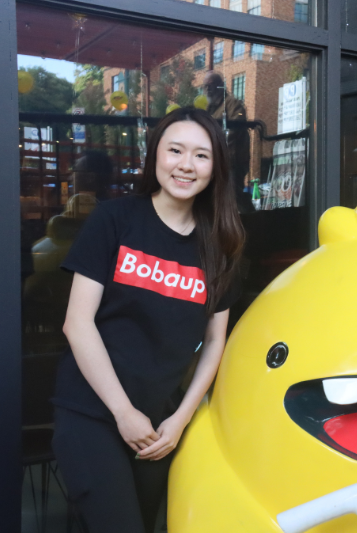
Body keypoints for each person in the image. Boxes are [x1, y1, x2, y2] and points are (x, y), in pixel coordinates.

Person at [51, 107, 245, 533]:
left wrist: (180, 419)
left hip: (159, 424)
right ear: (156, 153)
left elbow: (216, 341)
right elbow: (76, 323)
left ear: (215, 168)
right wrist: (123, 412)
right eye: (175, 150)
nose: (185, 165)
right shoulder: (115, 219)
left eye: (200, 155)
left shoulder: (219, 246)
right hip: (93, 413)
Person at [203, 70, 251, 192]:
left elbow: (234, 130)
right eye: (205, 86)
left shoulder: (232, 104)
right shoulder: (210, 108)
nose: (208, 89)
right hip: (217, 162)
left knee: (234, 196)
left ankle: (248, 211)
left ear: (220, 85)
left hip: (231, 163)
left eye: (211, 85)